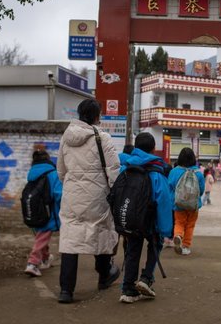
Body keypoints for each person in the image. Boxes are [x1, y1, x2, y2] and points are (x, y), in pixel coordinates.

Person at [56, 99, 121, 304]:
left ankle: (66, 291)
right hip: (97, 195)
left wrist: (74, 183)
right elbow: (113, 171)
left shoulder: (66, 138)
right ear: (97, 116)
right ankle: (104, 275)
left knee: (70, 239)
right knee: (99, 231)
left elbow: (61, 171)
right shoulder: (103, 138)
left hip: (72, 195)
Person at [119, 132, 172, 304]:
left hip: (132, 219)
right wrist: (166, 229)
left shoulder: (126, 168)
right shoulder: (157, 171)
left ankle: (127, 290)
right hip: (151, 221)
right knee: (155, 245)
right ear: (152, 149)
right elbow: (163, 201)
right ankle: (146, 278)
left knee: (133, 249)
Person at [24, 149, 62, 277]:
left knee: (41, 236)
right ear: (48, 159)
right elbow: (58, 194)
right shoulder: (53, 173)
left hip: (33, 211)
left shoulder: (32, 174)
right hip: (48, 213)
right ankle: (32, 263)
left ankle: (45, 259)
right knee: (42, 238)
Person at [167, 147, 205, 256]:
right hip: (193, 206)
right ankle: (186, 246)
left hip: (178, 204)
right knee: (190, 225)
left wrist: (172, 201)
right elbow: (201, 190)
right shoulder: (198, 173)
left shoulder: (174, 171)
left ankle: (178, 235)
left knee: (179, 222)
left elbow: (169, 187)